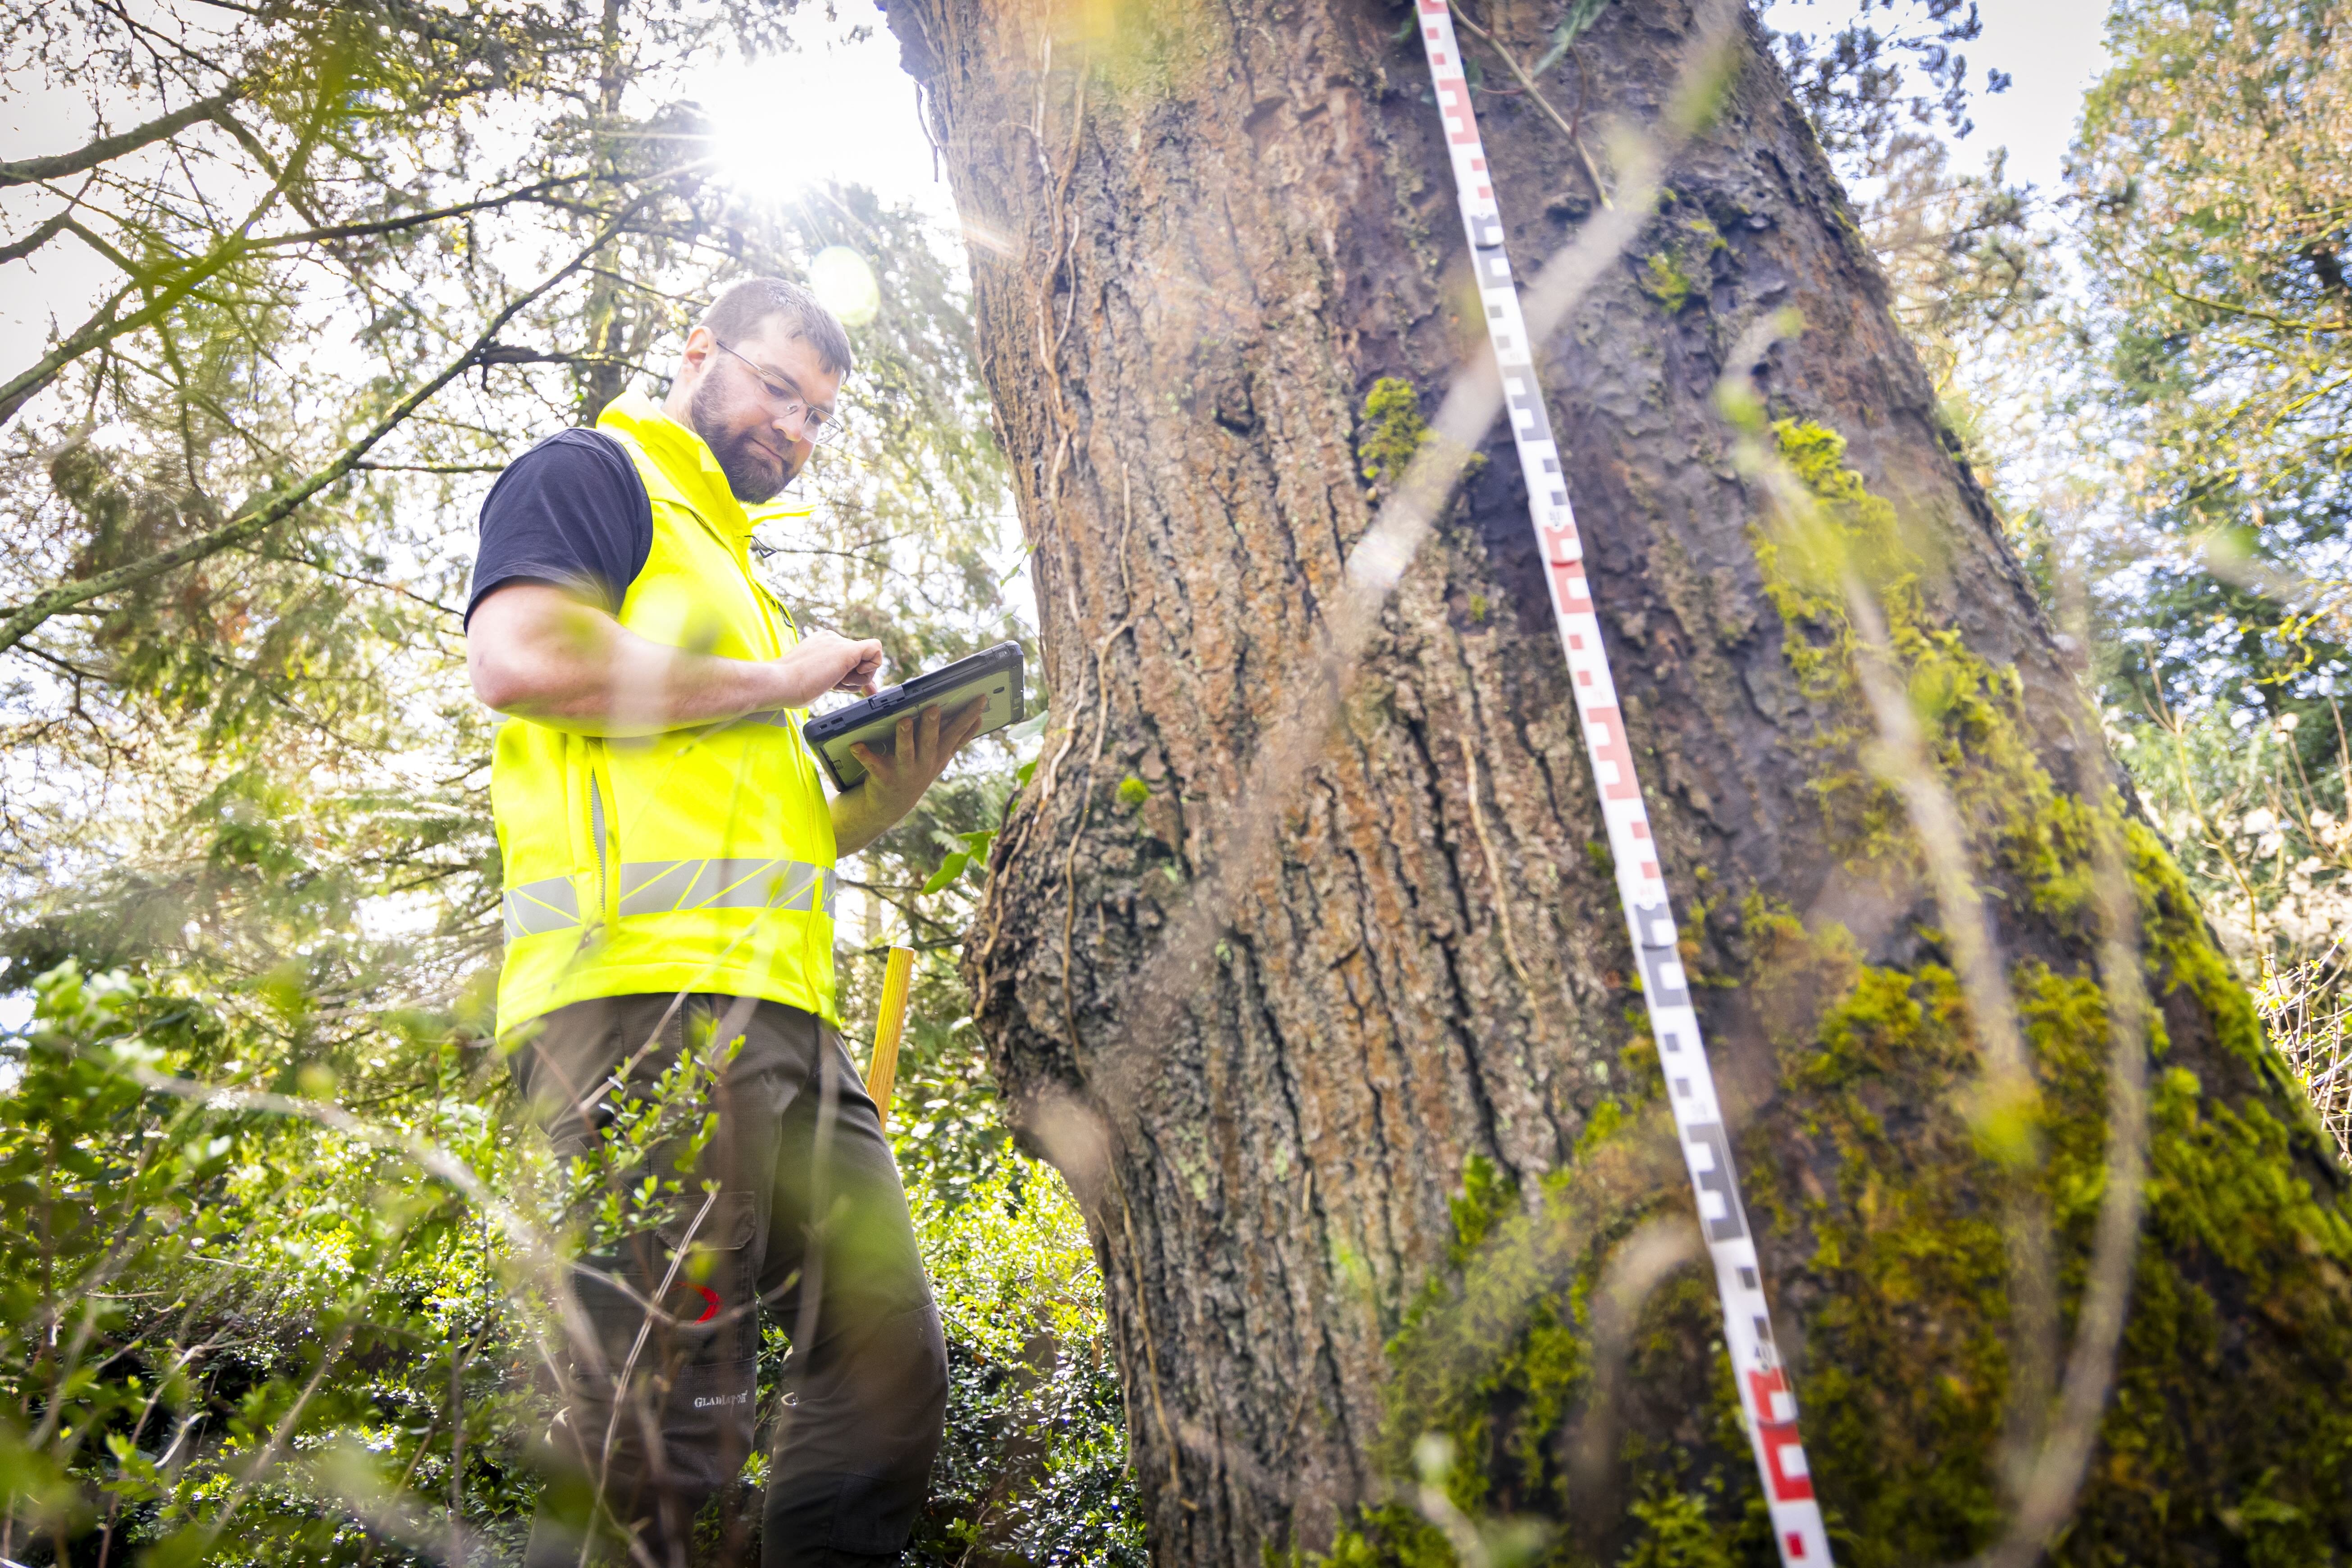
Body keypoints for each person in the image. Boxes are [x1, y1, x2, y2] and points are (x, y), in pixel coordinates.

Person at [465, 276, 985, 1566]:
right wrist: (779, 678)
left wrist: (882, 786)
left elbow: (747, 809)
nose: (793, 428)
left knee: (886, 1370)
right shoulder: (595, 475)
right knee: (663, 1418)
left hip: (790, 1021)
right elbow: (522, 661)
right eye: (776, 388)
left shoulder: (728, 567)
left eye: (815, 415)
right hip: (646, 1007)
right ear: (698, 353)